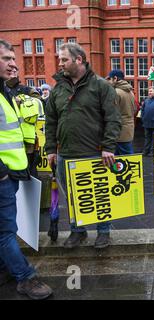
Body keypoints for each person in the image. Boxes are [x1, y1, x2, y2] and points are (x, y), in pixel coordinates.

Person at [45, 43, 121, 249]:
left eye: (64, 60)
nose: (60, 64)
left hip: (94, 152)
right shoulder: (58, 88)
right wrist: (51, 149)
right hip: (65, 154)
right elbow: (50, 120)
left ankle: (103, 231)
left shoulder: (100, 86)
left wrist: (108, 147)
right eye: (59, 60)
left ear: (79, 60)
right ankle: (77, 231)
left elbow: (113, 119)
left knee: (99, 194)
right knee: (71, 197)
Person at [0, 39, 53, 300]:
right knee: (5, 231)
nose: (13, 64)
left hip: (12, 171)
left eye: (13, 58)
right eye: (6, 59)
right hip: (3, 175)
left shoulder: (5, 93)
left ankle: (5, 269)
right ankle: (25, 277)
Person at [5, 66, 43, 177]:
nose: (12, 72)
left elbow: (41, 104)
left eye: (14, 70)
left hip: (27, 141)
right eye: (9, 70)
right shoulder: (2, 91)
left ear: (18, 72)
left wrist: (23, 101)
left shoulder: (26, 90)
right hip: (7, 140)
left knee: (29, 172)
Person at [106, 69, 136, 155]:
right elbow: (134, 109)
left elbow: (111, 112)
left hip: (119, 129)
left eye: (109, 79)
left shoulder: (115, 92)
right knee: (126, 155)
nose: (108, 81)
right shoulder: (130, 91)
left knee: (123, 157)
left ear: (115, 78)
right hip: (128, 128)